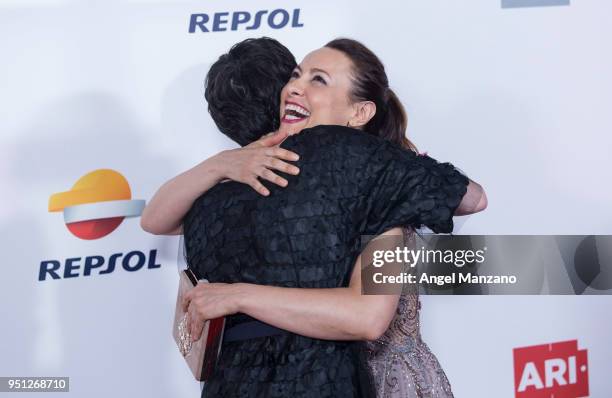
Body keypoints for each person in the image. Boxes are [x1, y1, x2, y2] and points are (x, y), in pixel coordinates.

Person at [142, 38, 487, 397]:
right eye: (295, 75)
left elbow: (368, 315)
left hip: (378, 380)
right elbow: (154, 218)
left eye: (317, 80)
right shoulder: (243, 179)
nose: (295, 88)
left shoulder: (380, 179)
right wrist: (222, 165)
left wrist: (394, 167)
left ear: (360, 112)